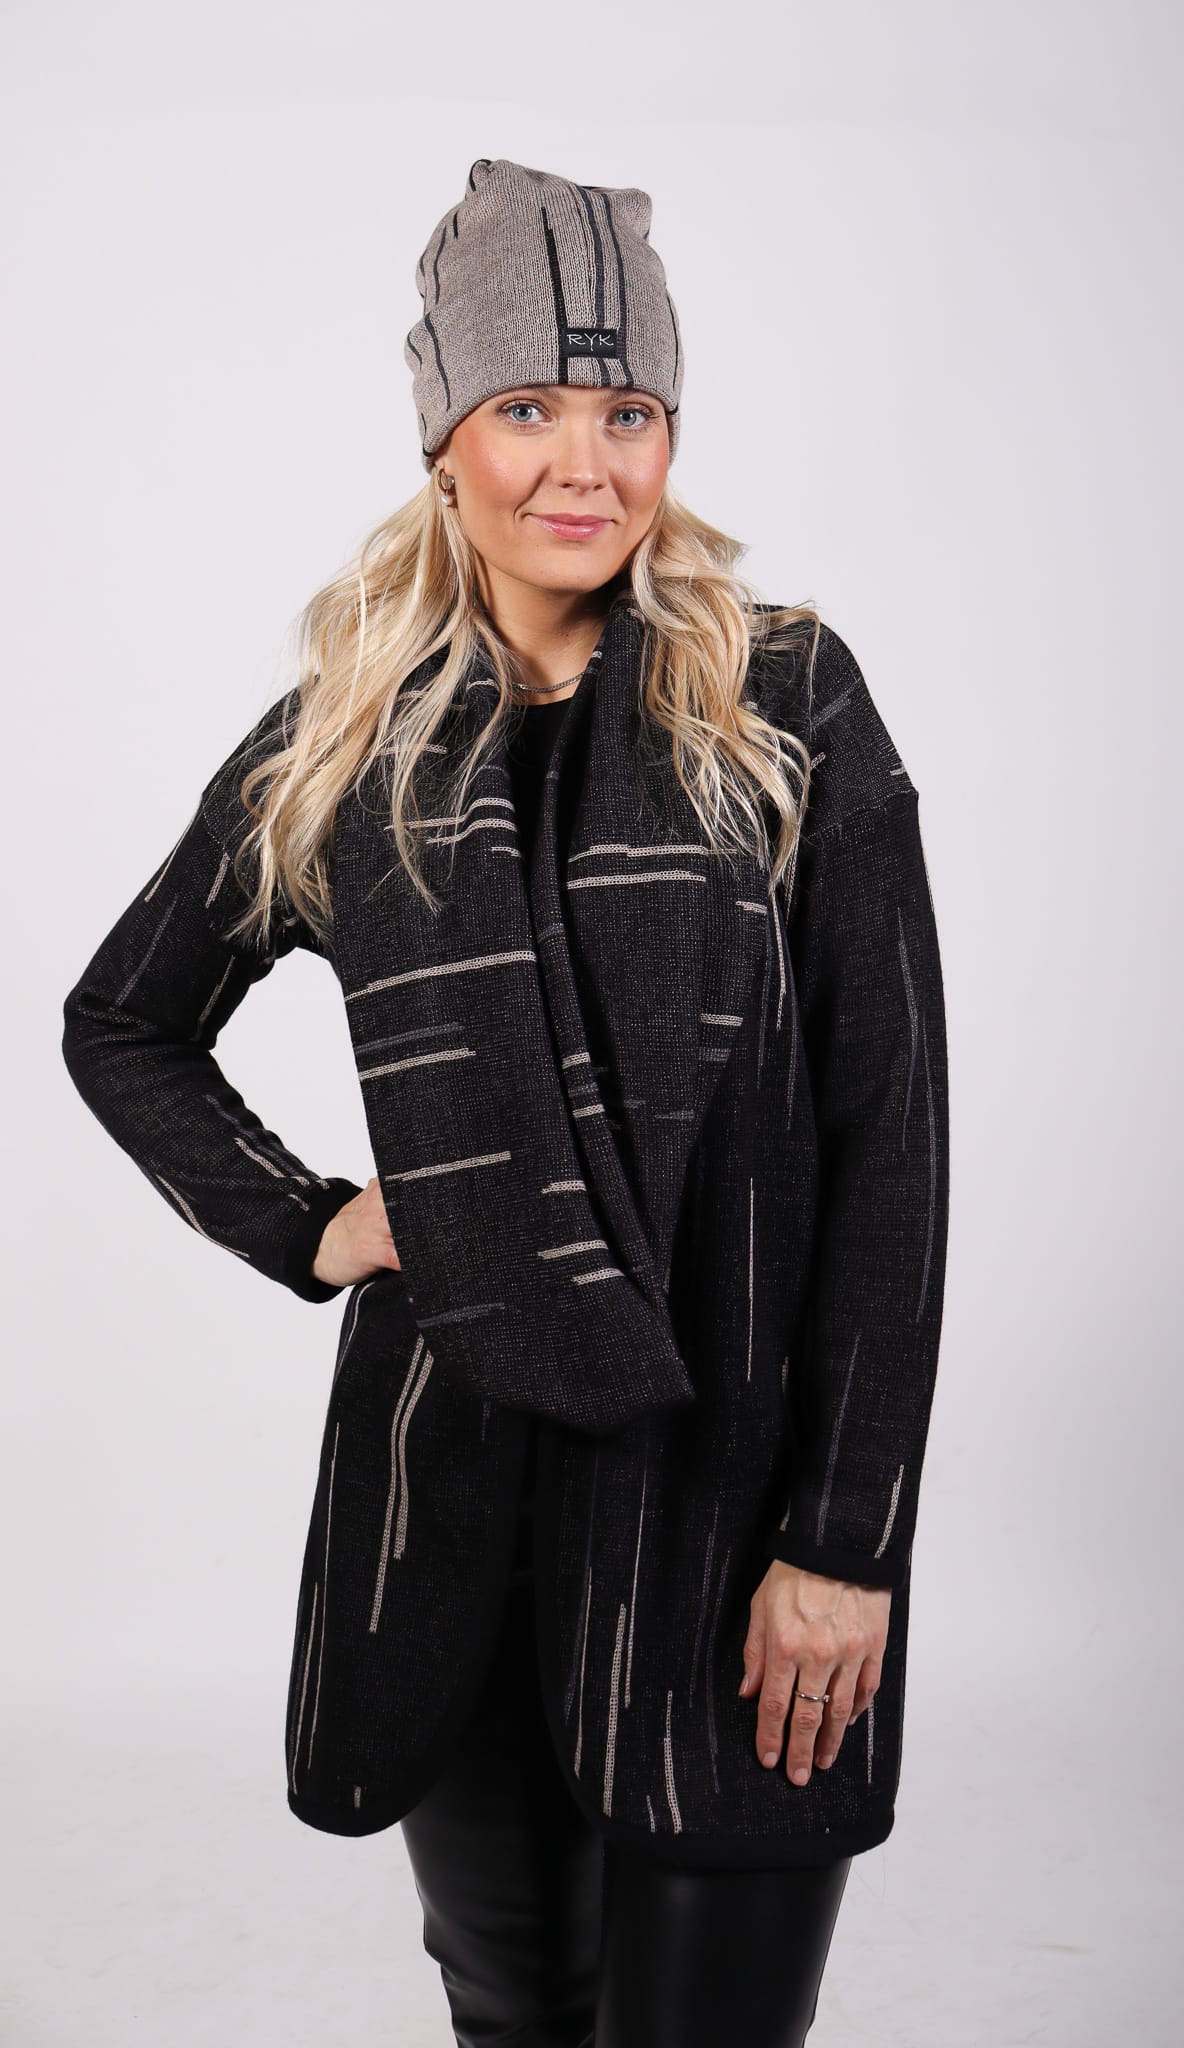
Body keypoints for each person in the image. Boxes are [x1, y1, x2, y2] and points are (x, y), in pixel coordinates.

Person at [61, 157, 951, 2045]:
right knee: (514, 2014)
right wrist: (313, 1224)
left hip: (726, 1502)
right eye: (529, 406)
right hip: (450, 1513)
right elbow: (124, 1022)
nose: (584, 464)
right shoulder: (345, 744)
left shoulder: (783, 699)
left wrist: (846, 1537)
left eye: (628, 413)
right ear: (444, 436)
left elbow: (892, 1143)